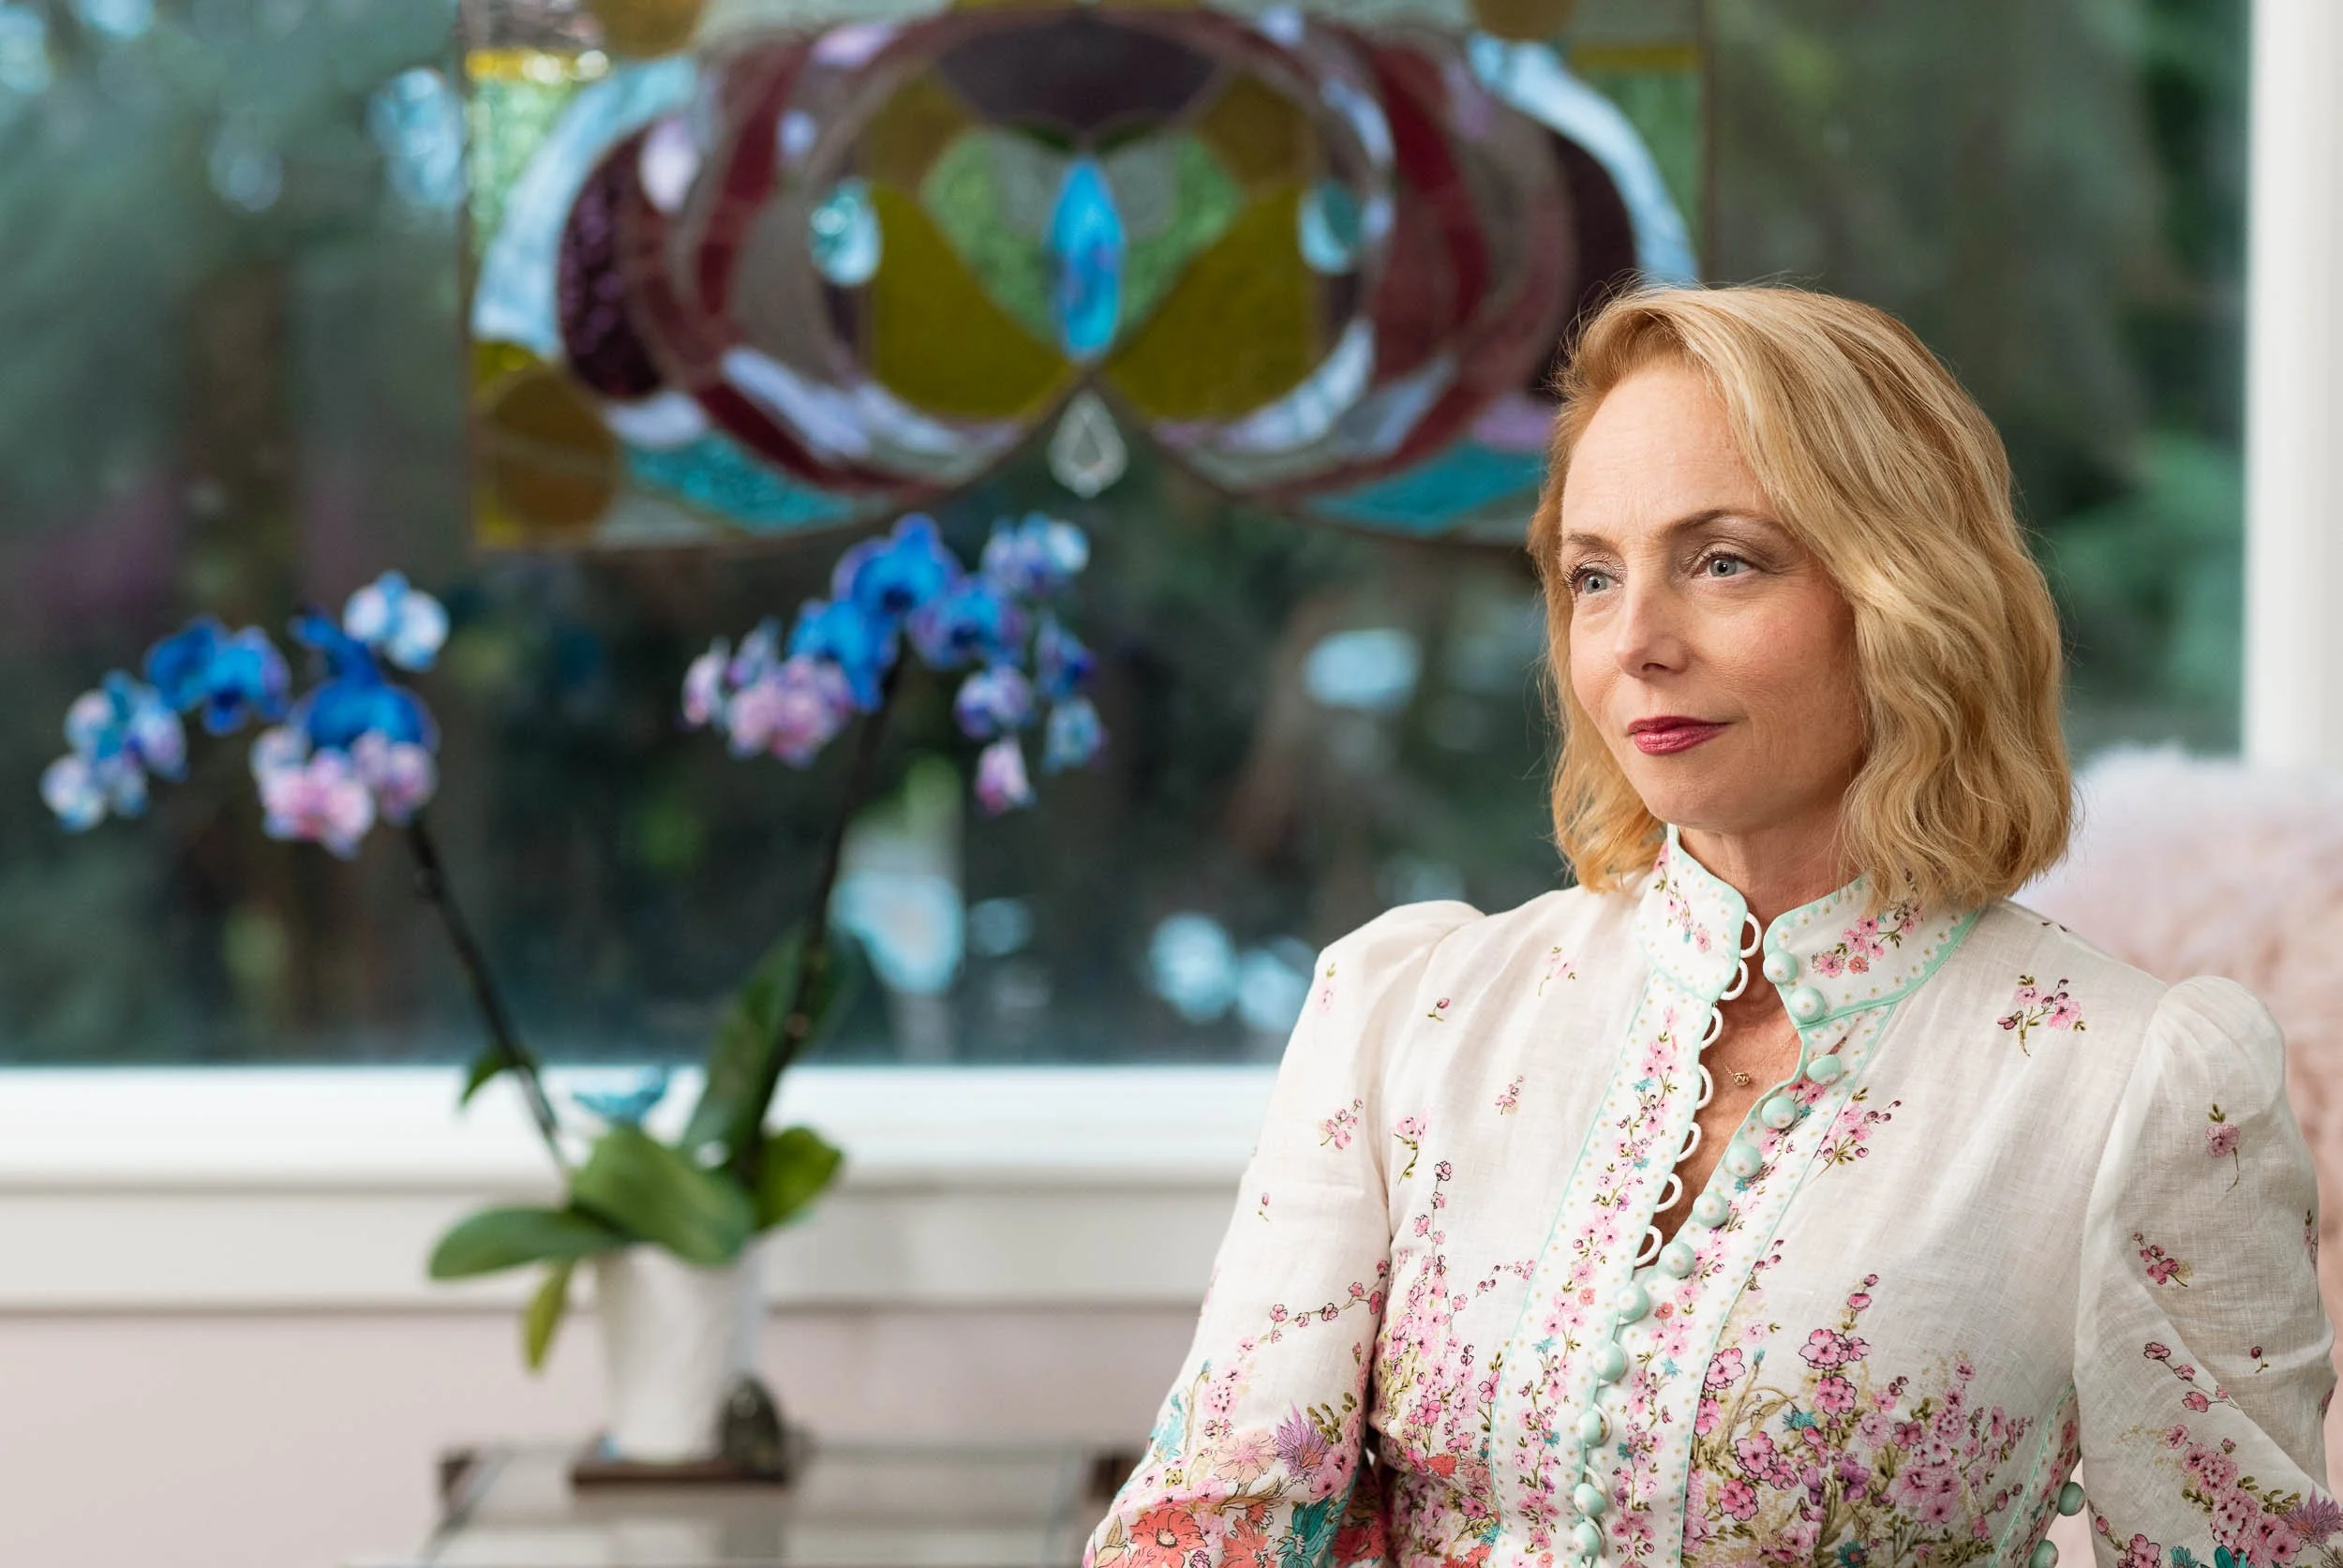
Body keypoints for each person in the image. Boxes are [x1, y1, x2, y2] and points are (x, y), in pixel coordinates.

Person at [1082, 285, 2336, 1568]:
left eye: (1723, 560)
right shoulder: (1409, 1015)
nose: (1634, 643)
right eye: (1592, 576)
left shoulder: (2136, 1084)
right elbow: (1210, 1529)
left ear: (1899, 591)